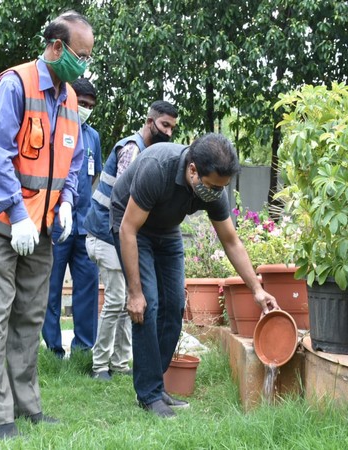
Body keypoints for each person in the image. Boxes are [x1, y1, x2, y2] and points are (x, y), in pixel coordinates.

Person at [0, 10, 93, 439]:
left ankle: (26, 405)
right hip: (1, 222)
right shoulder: (16, 85)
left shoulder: (71, 99)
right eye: (80, 55)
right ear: (56, 47)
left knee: (29, 316)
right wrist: (18, 214)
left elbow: (74, 161)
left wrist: (67, 202)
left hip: (42, 227)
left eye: (89, 57)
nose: (84, 65)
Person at [110, 133, 280, 418]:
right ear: (192, 170)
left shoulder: (213, 187)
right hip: (132, 225)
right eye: (213, 186)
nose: (217, 193)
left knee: (175, 305)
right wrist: (134, 293)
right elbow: (128, 229)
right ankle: (149, 394)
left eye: (222, 187)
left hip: (166, 229)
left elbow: (231, 241)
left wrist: (257, 289)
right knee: (147, 304)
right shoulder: (157, 167)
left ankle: (155, 385)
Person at [84, 100, 178, 380]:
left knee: (131, 299)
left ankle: (121, 362)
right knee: (116, 300)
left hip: (119, 236)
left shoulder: (150, 152)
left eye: (172, 128)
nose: (169, 132)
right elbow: (125, 200)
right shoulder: (132, 149)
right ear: (149, 122)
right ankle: (99, 365)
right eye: (164, 125)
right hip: (105, 234)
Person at [42, 78, 102, 358]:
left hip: (85, 226)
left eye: (90, 105)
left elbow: (94, 175)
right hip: (56, 223)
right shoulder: (55, 126)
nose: (85, 109)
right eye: (82, 103)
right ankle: (53, 349)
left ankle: (83, 349)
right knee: (51, 288)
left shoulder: (93, 137)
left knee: (87, 288)